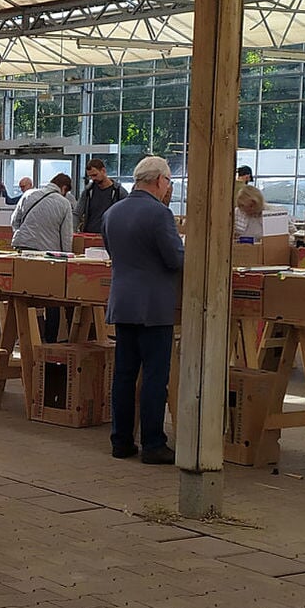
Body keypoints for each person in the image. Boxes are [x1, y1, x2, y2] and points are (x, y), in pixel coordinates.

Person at [103, 156, 183, 466]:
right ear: (161, 181)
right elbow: (175, 260)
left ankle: (120, 441)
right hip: (154, 306)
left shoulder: (112, 213)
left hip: (122, 302)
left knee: (123, 375)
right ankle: (153, 443)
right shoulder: (160, 215)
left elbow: (114, 253)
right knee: (153, 376)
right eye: (169, 183)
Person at [10, 173, 74, 254]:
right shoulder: (65, 203)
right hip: (47, 251)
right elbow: (66, 235)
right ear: (64, 188)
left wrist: (22, 235)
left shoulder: (28, 194)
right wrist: (66, 255)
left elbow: (14, 221)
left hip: (22, 246)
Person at [74, 158, 124, 235]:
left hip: (111, 235)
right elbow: (77, 213)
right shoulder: (88, 191)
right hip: (90, 234)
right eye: (90, 177)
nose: (93, 179)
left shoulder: (119, 192)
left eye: (95, 175)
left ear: (103, 171)